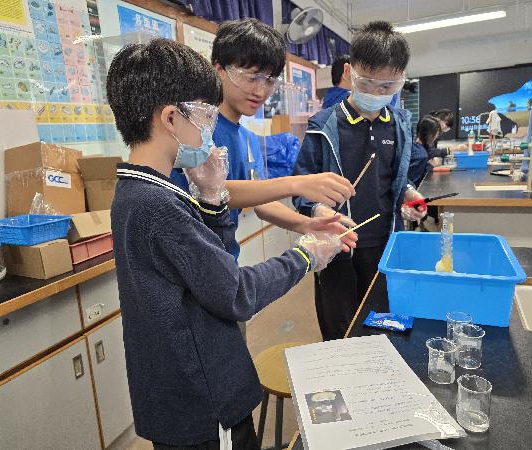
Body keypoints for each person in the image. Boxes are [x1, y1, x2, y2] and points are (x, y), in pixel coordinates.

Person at [107, 39, 356, 450]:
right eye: (205, 117)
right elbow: (236, 292)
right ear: (170, 118)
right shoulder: (157, 204)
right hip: (200, 400)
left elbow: (206, 264)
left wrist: (211, 200)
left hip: (185, 382)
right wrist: (306, 254)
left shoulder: (137, 189)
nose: (209, 130)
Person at [170, 19, 356, 261]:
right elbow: (208, 191)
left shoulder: (248, 139)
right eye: (251, 77)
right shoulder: (195, 129)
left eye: (269, 80)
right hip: (186, 260)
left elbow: (261, 202)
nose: (260, 91)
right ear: (219, 70)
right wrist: (296, 184)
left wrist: (308, 224)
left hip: (224, 259)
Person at [292, 21, 428, 341]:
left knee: (384, 327)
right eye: (368, 83)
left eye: (388, 86)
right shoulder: (323, 126)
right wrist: (318, 211)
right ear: (349, 72)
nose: (378, 93)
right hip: (337, 246)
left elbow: (397, 178)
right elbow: (301, 187)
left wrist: (409, 193)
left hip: (386, 243)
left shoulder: (399, 124)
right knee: (339, 331)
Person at [408, 115, 442, 187]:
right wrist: (430, 165)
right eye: (436, 134)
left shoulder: (412, 144)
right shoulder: (421, 155)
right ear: (430, 135)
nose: (436, 137)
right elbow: (412, 180)